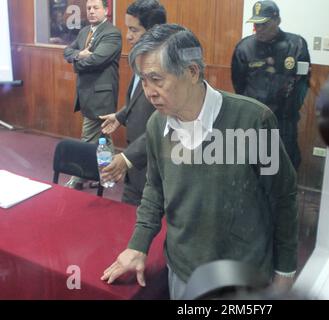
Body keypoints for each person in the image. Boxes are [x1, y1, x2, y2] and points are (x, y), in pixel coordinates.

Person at [101, 24, 299, 299]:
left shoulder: (252, 120)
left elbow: (283, 197)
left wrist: (286, 270)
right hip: (183, 270)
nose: (149, 91)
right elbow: (155, 189)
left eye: (157, 79)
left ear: (192, 72)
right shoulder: (157, 125)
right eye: (143, 80)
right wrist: (139, 244)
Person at [99, 0, 167, 206]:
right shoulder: (141, 59)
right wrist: (120, 116)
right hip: (136, 172)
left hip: (157, 172)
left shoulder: (167, 67)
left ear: (154, 31)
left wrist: (127, 158)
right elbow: (140, 99)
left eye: (134, 30)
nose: (127, 36)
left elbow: (167, 124)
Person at [231, 0, 310, 170]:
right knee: (252, 168)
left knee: (286, 167)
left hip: (284, 121)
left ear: (277, 21)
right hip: (254, 121)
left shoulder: (296, 45)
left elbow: (303, 84)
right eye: (255, 24)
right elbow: (239, 85)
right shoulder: (244, 48)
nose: (258, 29)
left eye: (264, 24)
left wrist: (290, 109)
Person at [63, 0, 122, 190]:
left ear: (106, 10)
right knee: (103, 137)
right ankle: (107, 175)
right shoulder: (84, 32)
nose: (91, 11)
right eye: (88, 8)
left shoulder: (112, 33)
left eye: (95, 8)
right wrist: (81, 54)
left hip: (101, 96)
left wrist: (76, 61)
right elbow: (67, 51)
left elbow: (97, 59)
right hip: (87, 95)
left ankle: (78, 178)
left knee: (88, 137)